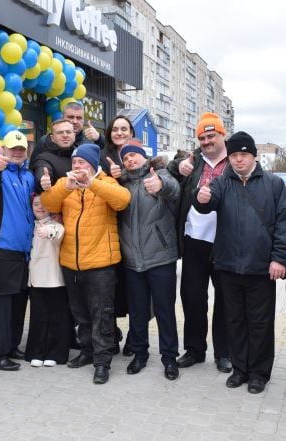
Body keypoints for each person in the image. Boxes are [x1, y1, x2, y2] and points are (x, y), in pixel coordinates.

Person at [193, 131, 286, 394]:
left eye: (244, 155)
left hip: (261, 267)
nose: (239, 160)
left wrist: (279, 258)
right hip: (228, 266)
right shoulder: (222, 182)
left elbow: (285, 224)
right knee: (235, 321)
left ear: (254, 156)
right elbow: (208, 202)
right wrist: (201, 199)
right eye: (235, 155)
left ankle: (259, 373)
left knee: (260, 322)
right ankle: (240, 369)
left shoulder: (273, 184)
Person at [40, 144, 131, 384]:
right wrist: (66, 187)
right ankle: (88, 352)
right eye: (75, 163)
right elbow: (48, 203)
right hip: (71, 262)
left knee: (101, 314)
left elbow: (122, 200)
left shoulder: (107, 182)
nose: (78, 167)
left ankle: (102, 361)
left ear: (93, 164)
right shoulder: (65, 184)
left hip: (101, 262)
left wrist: (92, 183)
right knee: (81, 314)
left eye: (82, 162)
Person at [166, 112, 231, 373]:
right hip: (194, 240)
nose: (206, 141)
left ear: (222, 135)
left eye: (211, 136)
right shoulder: (192, 162)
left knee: (225, 300)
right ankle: (194, 349)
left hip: (225, 242)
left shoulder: (234, 161)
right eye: (202, 137)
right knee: (192, 297)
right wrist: (176, 165)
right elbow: (167, 171)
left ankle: (224, 353)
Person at [117, 142, 181, 380]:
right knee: (138, 311)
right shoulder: (122, 183)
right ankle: (140, 354)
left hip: (160, 257)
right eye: (126, 158)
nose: (130, 160)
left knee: (165, 311)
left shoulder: (160, 174)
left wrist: (161, 185)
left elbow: (174, 190)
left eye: (134, 155)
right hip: (132, 260)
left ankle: (169, 358)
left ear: (144, 157)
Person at [0, 130, 35, 371]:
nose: (17, 153)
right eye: (12, 149)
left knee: (18, 302)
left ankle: (11, 346)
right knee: (1, 304)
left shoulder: (29, 176)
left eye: (21, 149)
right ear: (2, 149)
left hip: (24, 251)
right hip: (1, 248)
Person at [99, 115, 136, 354]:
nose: (120, 133)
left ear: (131, 131)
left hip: (137, 230)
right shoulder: (104, 157)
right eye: (116, 129)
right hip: (111, 229)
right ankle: (110, 335)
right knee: (109, 289)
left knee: (136, 291)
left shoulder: (140, 154)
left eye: (124, 129)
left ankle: (135, 337)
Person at [25, 194, 70, 366]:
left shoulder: (55, 224)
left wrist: (48, 231)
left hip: (53, 280)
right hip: (35, 280)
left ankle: (56, 353)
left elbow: (58, 234)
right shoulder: (30, 224)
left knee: (57, 318)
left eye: (44, 204)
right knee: (38, 317)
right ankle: (36, 352)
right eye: (36, 204)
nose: (40, 207)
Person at [29, 101, 104, 166]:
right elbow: (33, 167)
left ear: (83, 120)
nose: (75, 121)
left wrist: (99, 138)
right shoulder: (46, 141)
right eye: (71, 117)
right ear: (62, 117)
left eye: (79, 118)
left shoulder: (91, 141)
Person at [32, 118, 77, 193]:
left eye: (68, 132)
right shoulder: (43, 158)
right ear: (52, 138)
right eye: (60, 132)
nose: (65, 135)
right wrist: (43, 181)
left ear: (74, 136)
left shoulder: (81, 154)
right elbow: (42, 170)